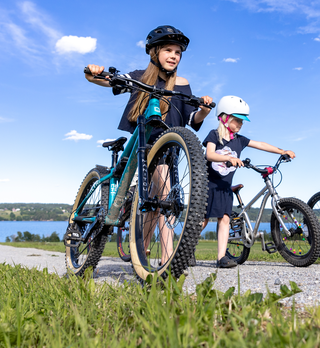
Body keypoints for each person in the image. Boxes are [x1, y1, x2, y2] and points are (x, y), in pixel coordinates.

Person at [85, 25, 213, 265]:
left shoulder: (182, 84)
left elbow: (191, 120)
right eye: (168, 50)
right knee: (162, 198)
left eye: (178, 52)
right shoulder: (140, 77)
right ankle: (166, 259)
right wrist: (93, 72)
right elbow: (102, 80)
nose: (174, 55)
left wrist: (204, 111)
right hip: (146, 145)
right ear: (154, 52)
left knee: (156, 204)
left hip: (170, 147)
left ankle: (141, 254)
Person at [201, 96, 296, 268]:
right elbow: (209, 154)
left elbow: (260, 144)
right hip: (208, 185)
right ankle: (186, 248)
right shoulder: (214, 135)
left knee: (225, 219)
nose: (240, 124)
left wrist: (282, 151)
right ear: (224, 117)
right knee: (203, 220)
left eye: (242, 121)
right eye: (237, 120)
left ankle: (221, 257)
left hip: (224, 187)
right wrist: (229, 158)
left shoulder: (240, 140)